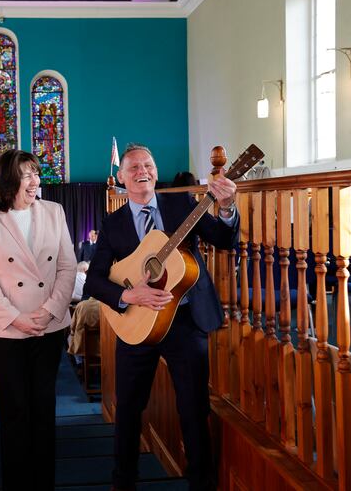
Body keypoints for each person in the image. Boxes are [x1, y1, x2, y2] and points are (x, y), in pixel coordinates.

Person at [84, 143, 238, 491]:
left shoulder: (182, 205)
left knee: (194, 409)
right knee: (128, 411)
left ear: (156, 171)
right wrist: (127, 295)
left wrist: (227, 207)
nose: (143, 171)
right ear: (121, 177)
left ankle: (202, 483)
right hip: (137, 324)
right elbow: (95, 279)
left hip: (185, 322)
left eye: (148, 165)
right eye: (134, 167)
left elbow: (225, 240)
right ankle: (123, 483)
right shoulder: (113, 224)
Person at [0, 149, 77, 491]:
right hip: (4, 331)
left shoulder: (54, 211)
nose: (35, 181)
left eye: (36, 173)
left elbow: (67, 266)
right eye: (27, 175)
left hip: (48, 326)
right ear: (8, 180)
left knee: (44, 410)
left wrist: (48, 311)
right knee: (14, 412)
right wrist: (15, 317)